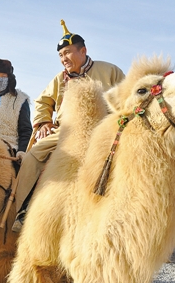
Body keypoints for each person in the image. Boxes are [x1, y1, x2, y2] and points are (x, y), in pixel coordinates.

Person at [12, 20, 125, 232]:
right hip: (65, 131)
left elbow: (126, 99)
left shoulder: (110, 71)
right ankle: (24, 211)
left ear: (83, 51)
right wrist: (45, 121)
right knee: (32, 157)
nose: (64, 59)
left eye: (68, 53)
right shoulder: (59, 79)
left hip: (101, 130)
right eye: (61, 55)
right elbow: (43, 101)